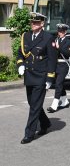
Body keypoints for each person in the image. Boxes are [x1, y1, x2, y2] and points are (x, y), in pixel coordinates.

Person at [16, 12, 57, 144]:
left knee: (34, 107)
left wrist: (50, 78)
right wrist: (20, 64)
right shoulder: (26, 36)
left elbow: (52, 59)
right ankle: (45, 123)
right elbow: (19, 53)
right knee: (32, 103)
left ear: (42, 24)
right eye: (32, 22)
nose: (33, 24)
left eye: (36, 22)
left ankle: (29, 133)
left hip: (41, 76)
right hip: (29, 75)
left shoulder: (48, 37)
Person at [47, 24, 70, 113]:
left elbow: (68, 53)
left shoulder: (68, 41)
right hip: (55, 64)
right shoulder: (55, 39)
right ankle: (65, 101)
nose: (60, 33)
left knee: (59, 83)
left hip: (63, 64)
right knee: (58, 83)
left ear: (65, 32)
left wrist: (59, 47)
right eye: (59, 31)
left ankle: (54, 105)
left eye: (62, 31)